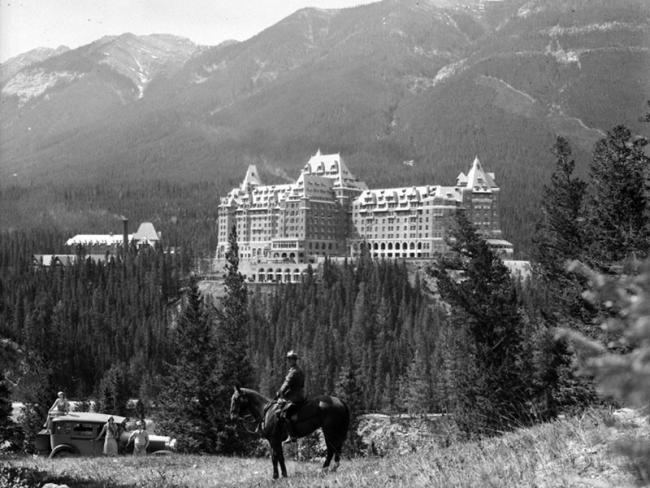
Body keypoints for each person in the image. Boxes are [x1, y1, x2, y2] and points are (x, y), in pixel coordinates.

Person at [277, 350, 306, 443]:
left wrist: (280, 392)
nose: (289, 361)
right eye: (288, 359)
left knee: (286, 413)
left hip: (295, 397)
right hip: (301, 395)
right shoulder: (300, 370)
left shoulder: (293, 371)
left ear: (294, 360)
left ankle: (292, 435)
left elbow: (286, 383)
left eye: (290, 359)